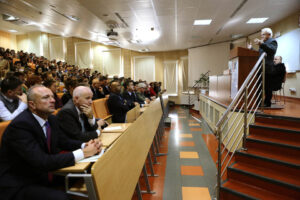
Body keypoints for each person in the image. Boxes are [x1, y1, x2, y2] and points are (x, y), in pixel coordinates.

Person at [0, 85, 101, 200]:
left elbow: (63, 141)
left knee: (92, 176)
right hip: (20, 182)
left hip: (43, 173)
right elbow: (41, 161)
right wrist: (84, 153)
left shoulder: (51, 119)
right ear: (32, 105)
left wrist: (85, 145)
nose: (53, 100)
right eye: (46, 98)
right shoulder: (21, 126)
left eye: (52, 97)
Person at [250, 28, 278, 107]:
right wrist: (251, 49)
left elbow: (272, 51)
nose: (261, 36)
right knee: (259, 86)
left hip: (268, 68)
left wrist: (261, 44)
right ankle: (258, 103)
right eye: (261, 34)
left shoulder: (273, 41)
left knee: (268, 87)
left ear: (269, 34)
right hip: (260, 67)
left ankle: (267, 103)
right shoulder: (264, 43)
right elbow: (259, 54)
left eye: (263, 34)